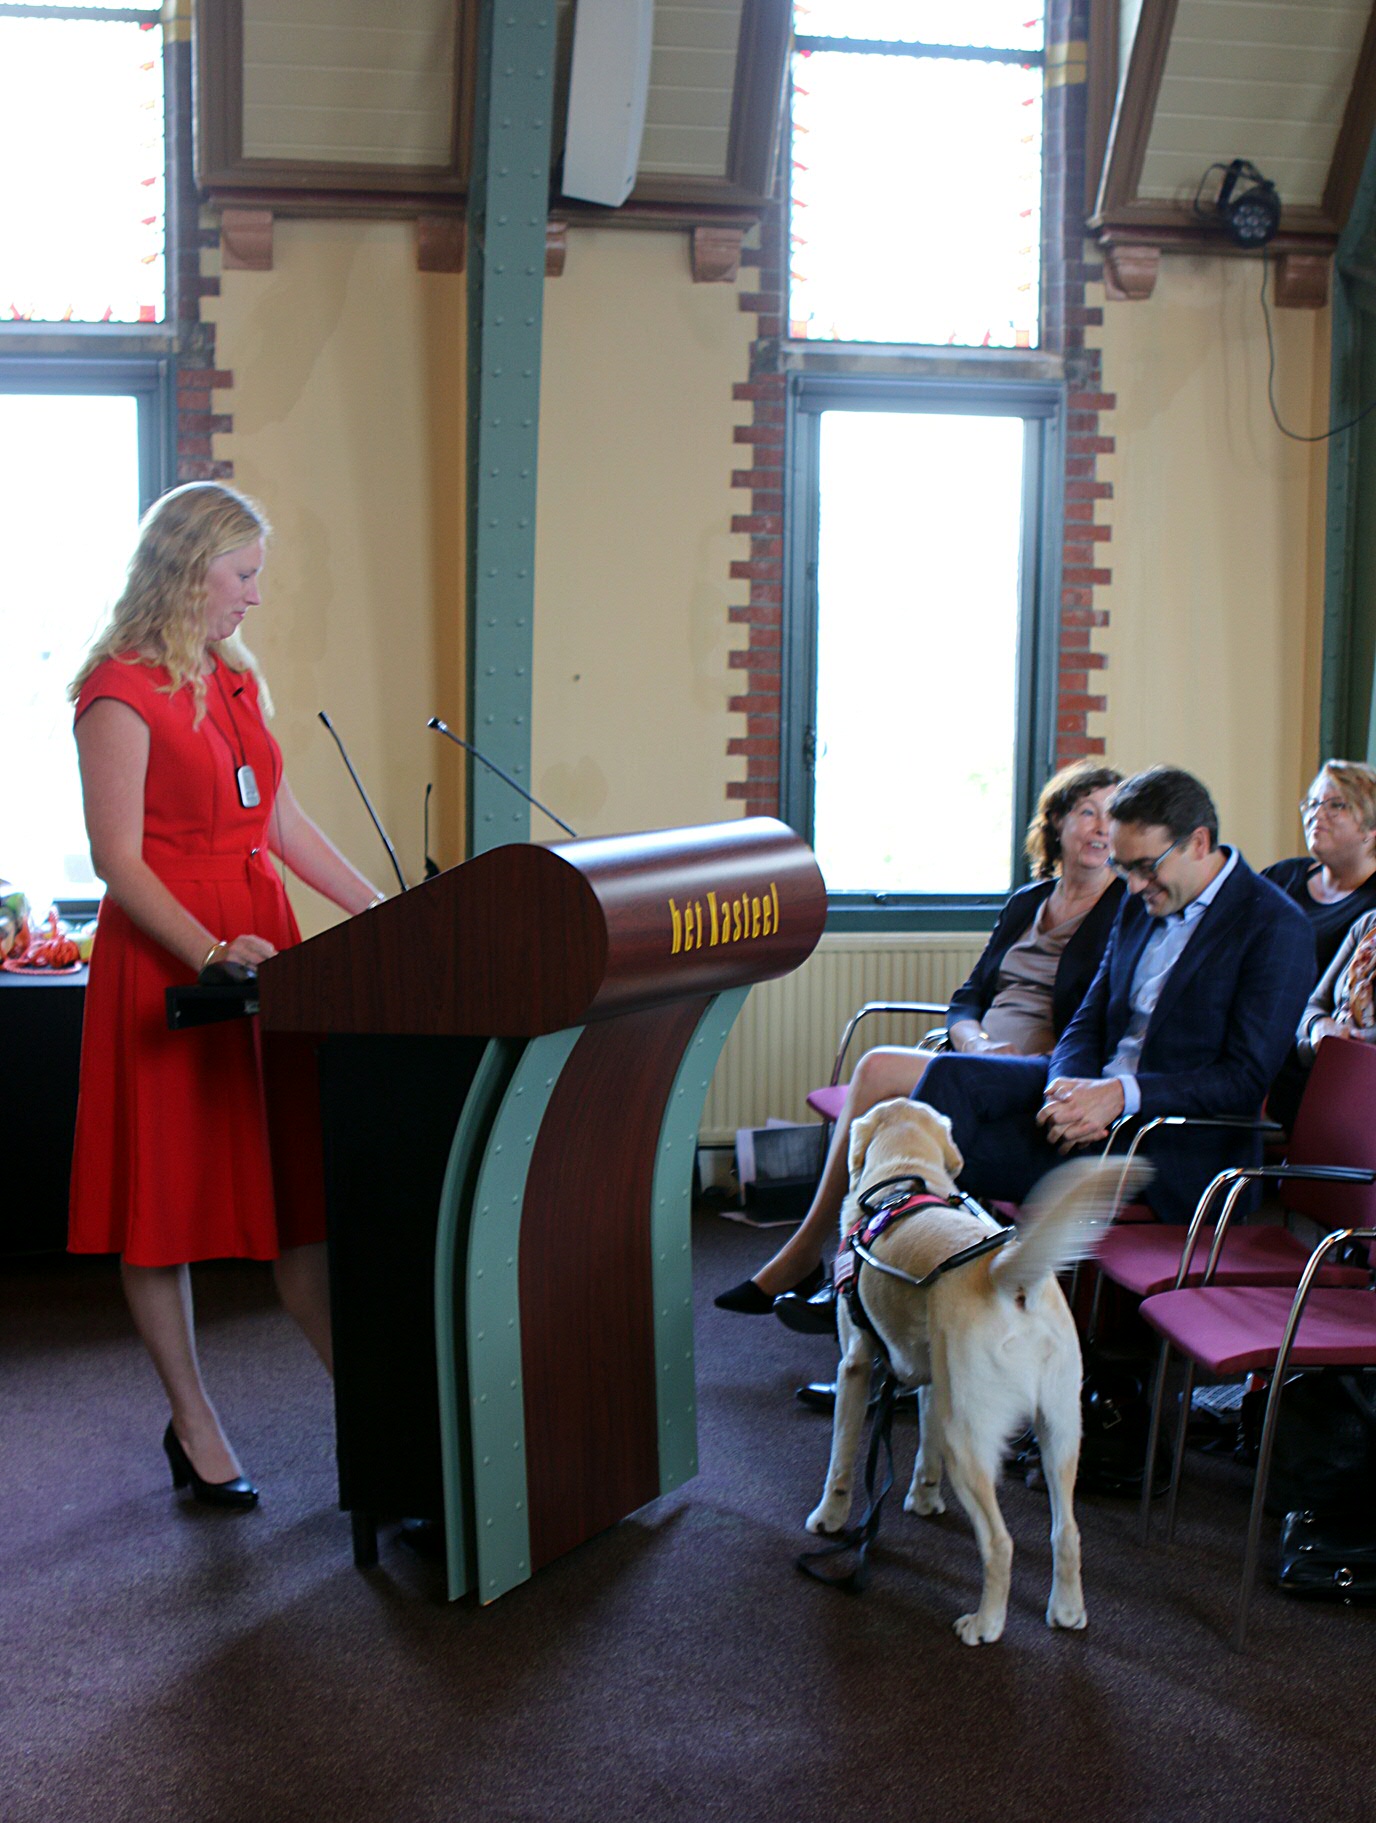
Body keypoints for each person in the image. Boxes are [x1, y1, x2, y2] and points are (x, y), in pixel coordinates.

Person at [67, 482, 385, 1510]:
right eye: (243, 575)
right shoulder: (116, 690)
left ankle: (382, 1421)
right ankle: (195, 1421)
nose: (255, 596)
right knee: (158, 1208)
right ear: (187, 568)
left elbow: (280, 821)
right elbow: (116, 860)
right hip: (173, 960)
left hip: (264, 950)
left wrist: (380, 909)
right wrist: (208, 951)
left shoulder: (234, 675)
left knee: (297, 1192)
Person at [714, 759, 1125, 1315]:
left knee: (879, 1072)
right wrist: (976, 1042)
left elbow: (1101, 1019)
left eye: (1112, 816)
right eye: (1086, 812)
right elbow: (968, 997)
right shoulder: (1029, 902)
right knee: (883, 1117)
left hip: (1040, 1075)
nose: (1101, 828)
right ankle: (850, 1270)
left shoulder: (1125, 910)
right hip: (978, 1060)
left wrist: (1034, 1058)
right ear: (1057, 824)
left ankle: (818, 1255)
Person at [903, 766, 1315, 1232]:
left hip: (1171, 1140)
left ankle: (899, 1274)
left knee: (949, 1150)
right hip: (1096, 1095)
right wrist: (1067, 1089)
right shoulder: (1142, 901)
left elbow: (1244, 1078)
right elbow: (1088, 1018)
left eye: (1145, 866)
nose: (1134, 885)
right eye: (1124, 867)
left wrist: (1119, 1096)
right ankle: (890, 1269)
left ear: (1198, 843)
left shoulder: (1274, 925)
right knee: (948, 1076)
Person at [1263, 761, 1376, 974]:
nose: (1316, 814)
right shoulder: (1280, 877)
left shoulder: (1371, 904)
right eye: (1313, 804)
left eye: (1337, 805)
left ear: (1372, 827)